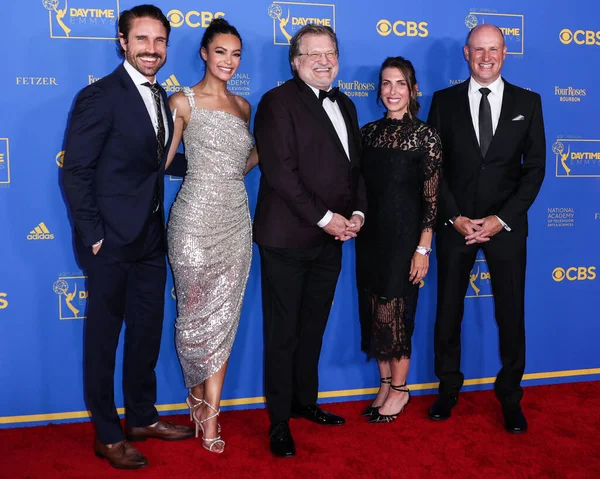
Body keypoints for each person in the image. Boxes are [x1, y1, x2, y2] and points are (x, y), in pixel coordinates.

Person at [62, 5, 194, 470]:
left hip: (150, 241)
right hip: (111, 244)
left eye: (159, 41)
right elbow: (75, 172)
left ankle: (141, 416)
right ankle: (106, 432)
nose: (152, 50)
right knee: (103, 339)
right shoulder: (99, 96)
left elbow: (159, 162)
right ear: (123, 41)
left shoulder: (162, 97)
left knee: (146, 334)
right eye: (142, 40)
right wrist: (95, 237)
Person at [253, 25, 367, 458]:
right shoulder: (276, 102)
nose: (324, 61)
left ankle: (304, 402)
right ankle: (279, 421)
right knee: (283, 332)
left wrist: (356, 215)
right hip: (287, 239)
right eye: (314, 54)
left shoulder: (347, 104)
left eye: (330, 53)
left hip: (332, 239)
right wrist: (326, 219)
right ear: (296, 62)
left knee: (312, 327)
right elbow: (281, 173)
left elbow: (356, 171)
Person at [427, 24, 546, 433]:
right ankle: (447, 389)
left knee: (511, 312)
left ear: (505, 52)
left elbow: (534, 170)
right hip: (454, 223)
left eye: (493, 49)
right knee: (447, 311)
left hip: (506, 226)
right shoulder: (443, 102)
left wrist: (500, 220)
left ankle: (511, 397)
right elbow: (434, 168)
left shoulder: (528, 103)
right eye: (478, 49)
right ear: (466, 53)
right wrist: (455, 217)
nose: (486, 56)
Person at [165, 18, 257, 454]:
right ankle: (196, 394)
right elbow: (163, 160)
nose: (229, 61)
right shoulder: (181, 102)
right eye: (221, 51)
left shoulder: (244, 107)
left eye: (236, 53)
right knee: (192, 321)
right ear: (204, 53)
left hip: (236, 221)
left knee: (224, 321)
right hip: (192, 223)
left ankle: (211, 415)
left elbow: (247, 159)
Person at [356, 57, 442, 423]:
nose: (392, 91)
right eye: (386, 83)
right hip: (371, 237)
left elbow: (432, 198)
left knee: (396, 314)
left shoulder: (426, 136)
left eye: (400, 83)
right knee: (375, 310)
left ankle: (402, 391)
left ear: (413, 89)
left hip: (406, 239)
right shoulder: (368, 133)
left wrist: (423, 247)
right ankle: (386, 383)